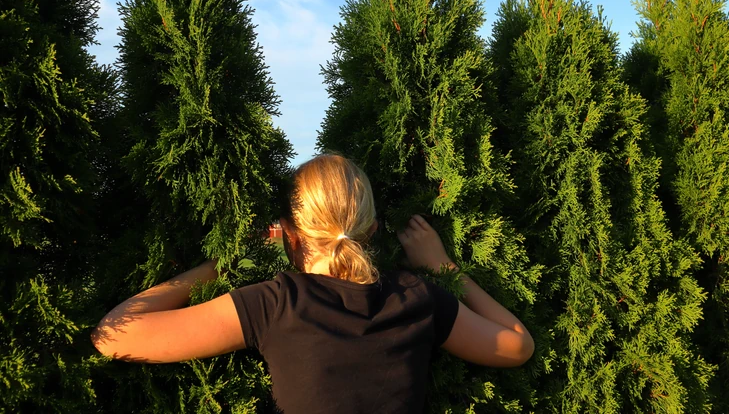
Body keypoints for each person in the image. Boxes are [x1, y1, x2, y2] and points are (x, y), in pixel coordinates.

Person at [92, 154, 534, 413]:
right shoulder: (418, 298)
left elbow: (114, 335)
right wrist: (442, 267)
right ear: (372, 230)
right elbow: (518, 345)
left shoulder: (277, 304)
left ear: (289, 233)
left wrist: (218, 266)